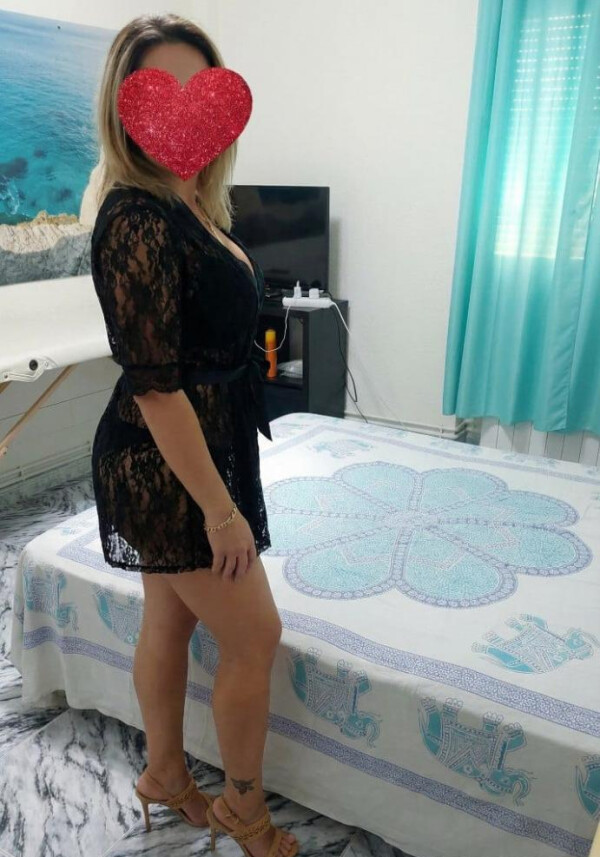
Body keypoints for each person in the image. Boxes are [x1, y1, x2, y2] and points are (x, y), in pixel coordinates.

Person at [90, 12, 298, 857]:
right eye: (160, 89)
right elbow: (157, 387)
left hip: (199, 448)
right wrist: (220, 511)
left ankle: (165, 773)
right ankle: (245, 809)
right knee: (255, 634)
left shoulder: (191, 205)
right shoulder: (135, 218)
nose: (181, 108)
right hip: (164, 459)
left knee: (170, 618)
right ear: (126, 106)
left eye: (196, 87)